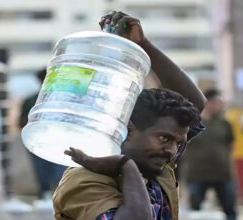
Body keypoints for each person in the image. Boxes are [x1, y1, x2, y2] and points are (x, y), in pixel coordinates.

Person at [52, 11, 205, 220]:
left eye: (178, 143)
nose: (171, 151)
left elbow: (193, 104)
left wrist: (143, 45)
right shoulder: (84, 181)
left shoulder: (153, 165)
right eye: (164, 138)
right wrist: (126, 166)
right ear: (129, 129)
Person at [183, 89, 237, 220]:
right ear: (208, 103)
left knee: (229, 210)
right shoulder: (194, 124)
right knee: (194, 212)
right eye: (217, 102)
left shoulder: (225, 124)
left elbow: (231, 146)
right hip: (197, 174)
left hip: (223, 174)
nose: (220, 106)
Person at [20, 69, 66, 199]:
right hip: (47, 143)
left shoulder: (31, 100)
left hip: (43, 142)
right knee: (54, 175)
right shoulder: (62, 99)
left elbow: (22, 123)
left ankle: (49, 196)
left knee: (46, 174)